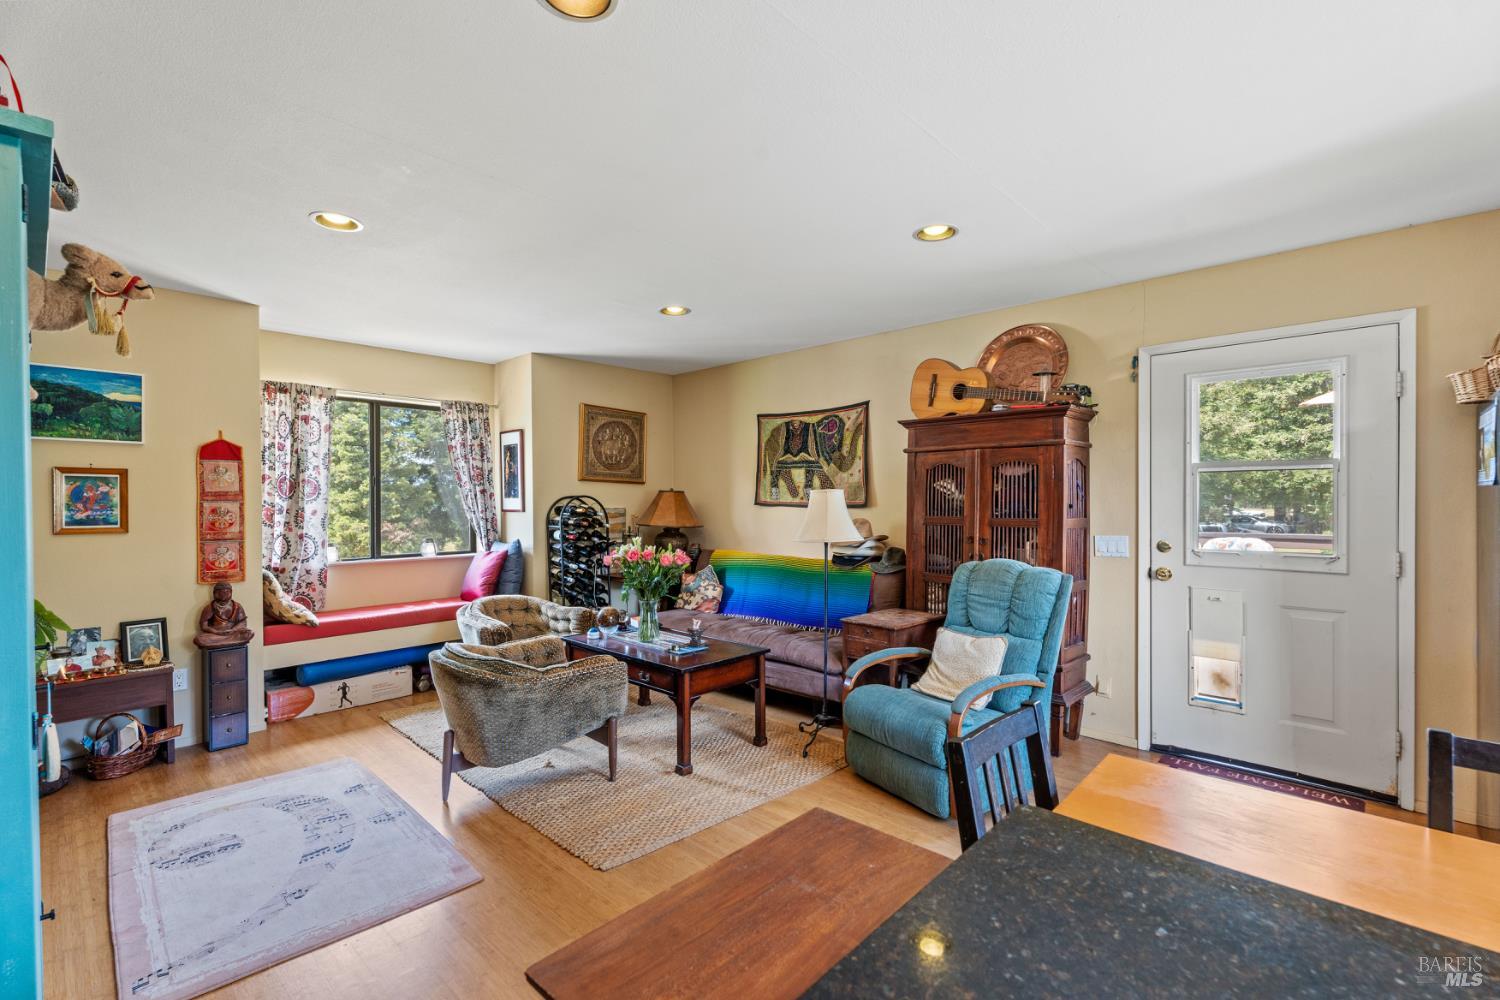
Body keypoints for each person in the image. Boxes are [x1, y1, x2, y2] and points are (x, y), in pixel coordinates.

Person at [194, 582, 255, 649]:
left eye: (226, 592)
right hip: (216, 634)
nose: (223, 595)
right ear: (214, 593)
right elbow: (203, 626)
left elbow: (243, 623)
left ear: (231, 592)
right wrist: (217, 632)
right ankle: (229, 642)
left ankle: (225, 642)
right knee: (200, 639)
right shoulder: (210, 607)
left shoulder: (237, 606)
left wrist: (233, 630)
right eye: (220, 592)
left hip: (233, 632)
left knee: (249, 633)